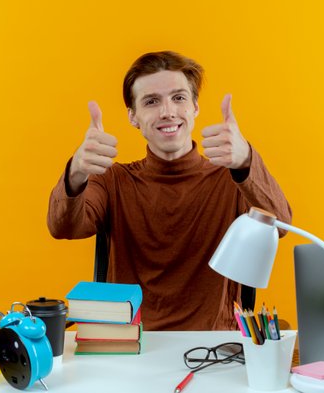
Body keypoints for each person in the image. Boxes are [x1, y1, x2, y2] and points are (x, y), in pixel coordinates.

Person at [48, 51, 291, 330]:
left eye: (179, 98)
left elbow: (281, 224)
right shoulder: (113, 180)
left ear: (195, 107)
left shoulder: (232, 178)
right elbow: (62, 227)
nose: (167, 112)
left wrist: (247, 160)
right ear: (133, 117)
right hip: (129, 344)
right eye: (151, 101)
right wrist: (76, 171)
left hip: (213, 347)